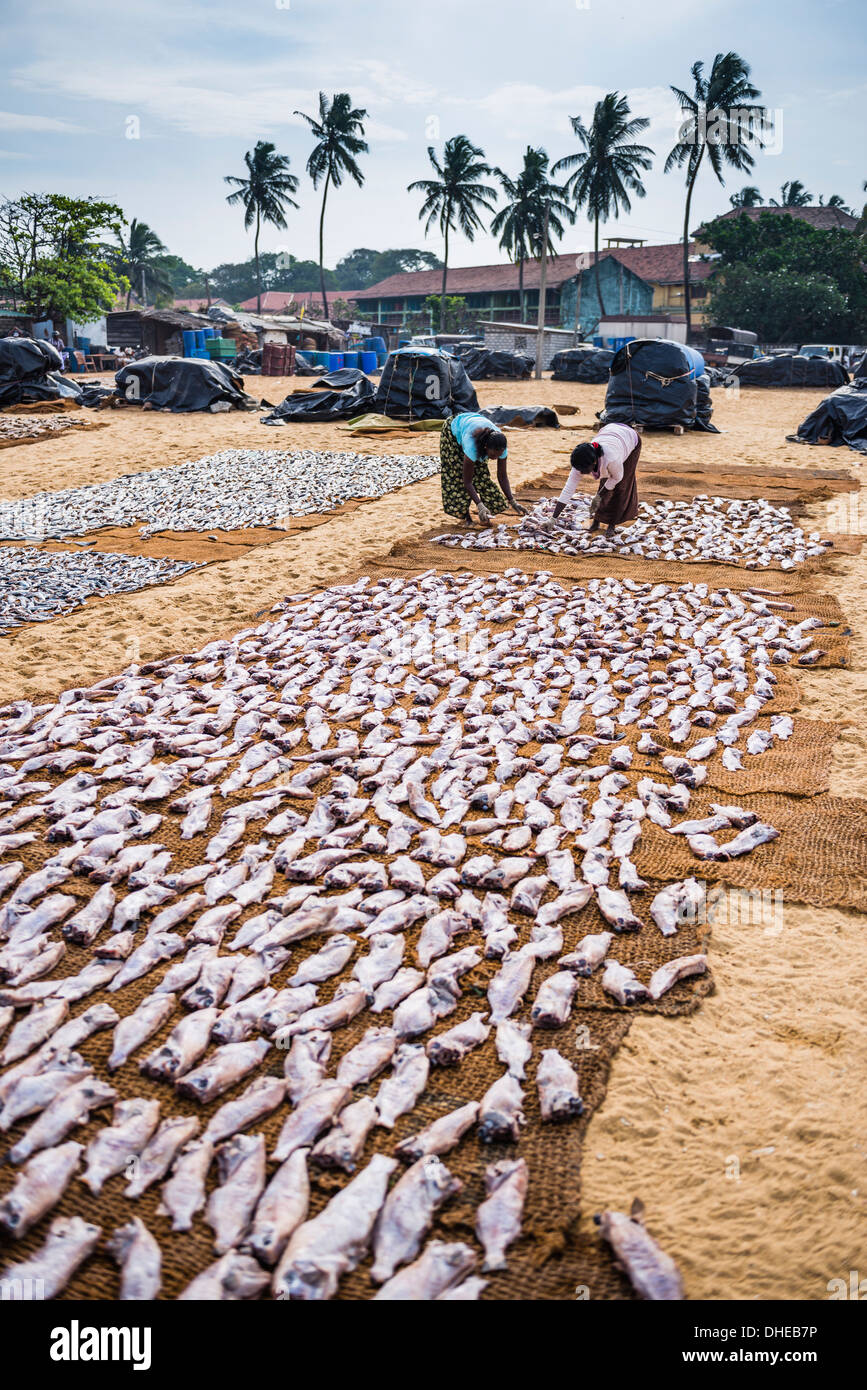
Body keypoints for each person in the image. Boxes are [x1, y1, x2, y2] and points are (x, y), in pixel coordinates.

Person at [551, 422, 641, 537]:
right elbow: (568, 489)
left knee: (620, 486)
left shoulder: (612, 458)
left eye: (584, 470)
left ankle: (612, 524)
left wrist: (598, 496)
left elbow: (617, 477)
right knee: (604, 485)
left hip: (630, 439)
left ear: (594, 462)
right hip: (610, 432)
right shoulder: (581, 461)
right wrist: (553, 518)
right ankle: (596, 521)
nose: (582, 473)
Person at [440, 410, 526, 524]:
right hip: (453, 429)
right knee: (457, 475)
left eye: (498, 455)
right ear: (485, 447)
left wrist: (512, 501)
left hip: (473, 423)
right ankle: (467, 517)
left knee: (482, 476)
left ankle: (487, 513)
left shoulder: (500, 447)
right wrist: (479, 505)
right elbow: (467, 481)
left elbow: (502, 476)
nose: (495, 458)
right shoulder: (472, 447)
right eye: (493, 455)